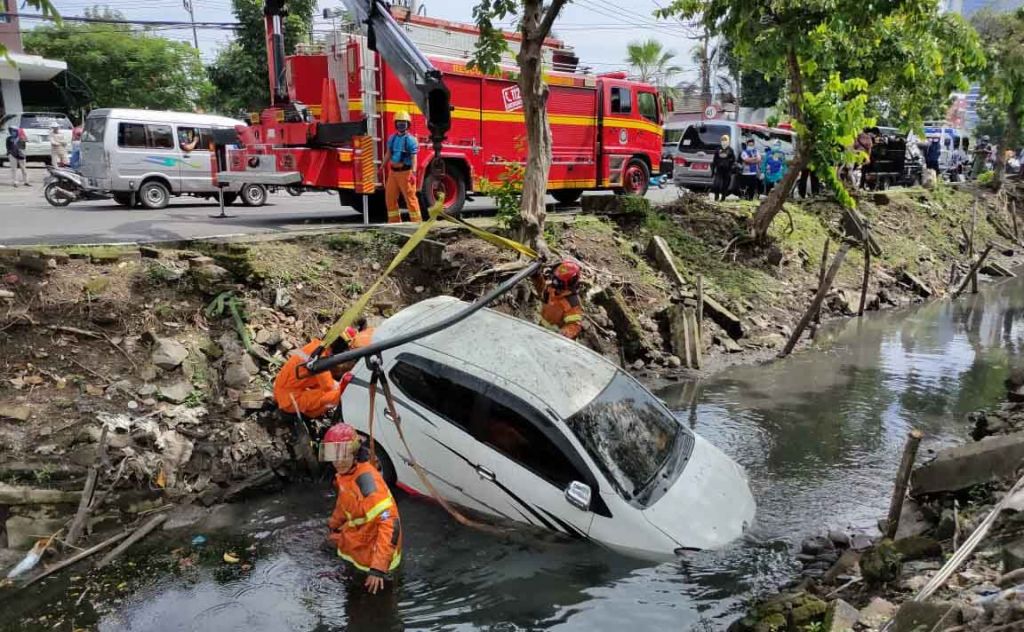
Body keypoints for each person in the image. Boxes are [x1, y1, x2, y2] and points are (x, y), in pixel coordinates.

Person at [323, 423, 402, 594]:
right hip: (359, 546)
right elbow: (344, 504)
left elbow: (390, 523)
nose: (337, 462)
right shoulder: (345, 475)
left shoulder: (367, 483)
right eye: (333, 456)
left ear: (354, 453)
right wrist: (333, 525)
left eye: (342, 456)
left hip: (376, 562)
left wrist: (378, 569)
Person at [273, 327, 362, 421]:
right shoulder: (320, 358)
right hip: (289, 401)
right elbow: (328, 386)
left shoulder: (315, 347)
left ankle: (306, 409)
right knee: (336, 393)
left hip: (281, 391)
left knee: (326, 386)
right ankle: (308, 415)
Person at [382, 111, 421, 224]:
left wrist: (413, 173)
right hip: (393, 173)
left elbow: (414, 158)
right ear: (396, 124)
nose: (401, 125)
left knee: (410, 198)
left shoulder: (411, 140)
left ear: (408, 124)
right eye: (399, 122)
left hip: (406, 172)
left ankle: (417, 222)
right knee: (390, 197)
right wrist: (382, 167)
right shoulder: (392, 138)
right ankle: (394, 221)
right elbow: (388, 154)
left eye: (404, 123)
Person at [533, 258, 584, 340]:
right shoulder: (553, 288)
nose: (555, 284)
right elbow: (542, 291)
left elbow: (574, 325)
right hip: (540, 331)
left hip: (555, 341)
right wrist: (536, 276)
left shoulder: (572, 303)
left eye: (559, 282)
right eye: (555, 279)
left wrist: (563, 334)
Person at [710, 134, 736, 202]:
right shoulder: (718, 149)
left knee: (725, 185)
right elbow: (714, 160)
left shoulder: (730, 150)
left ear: (728, 141)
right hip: (719, 170)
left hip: (727, 170)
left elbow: (733, 159)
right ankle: (716, 196)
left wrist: (728, 162)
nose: (724, 141)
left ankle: (723, 198)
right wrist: (713, 171)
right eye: (722, 140)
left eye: (725, 140)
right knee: (716, 184)